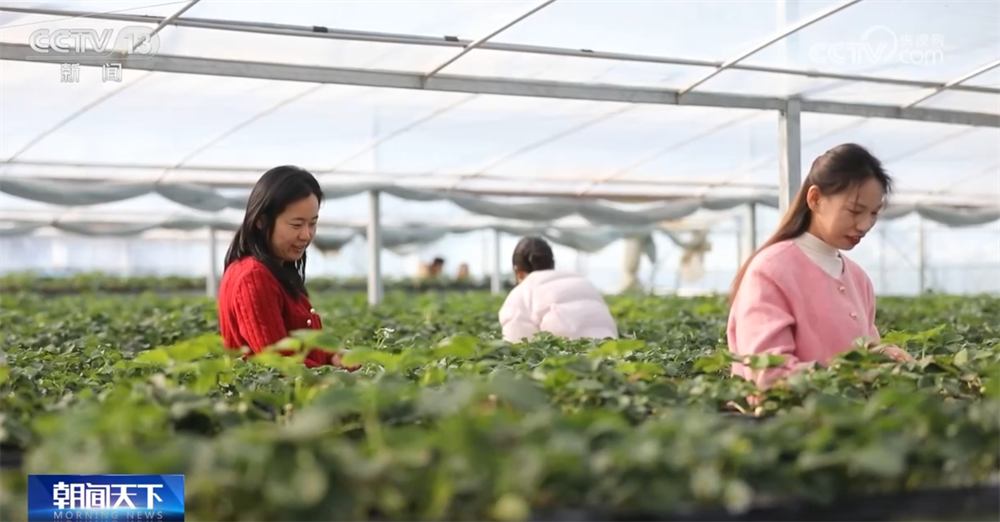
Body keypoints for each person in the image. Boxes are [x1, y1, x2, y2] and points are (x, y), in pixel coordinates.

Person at [727, 143, 913, 390]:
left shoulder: (858, 278)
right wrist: (852, 376)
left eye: (873, 213)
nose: (864, 225)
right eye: (855, 211)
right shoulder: (770, 270)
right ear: (815, 198)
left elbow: (862, 349)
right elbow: (768, 374)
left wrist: (881, 355)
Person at [217, 165, 356, 370]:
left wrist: (332, 356)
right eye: (296, 225)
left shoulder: (275, 271)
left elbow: (294, 345)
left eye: (312, 224)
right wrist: (335, 377)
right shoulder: (253, 277)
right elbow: (279, 363)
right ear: (262, 221)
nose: (306, 235)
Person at [498, 236, 618, 343]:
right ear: (552, 264)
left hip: (569, 358)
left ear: (518, 272)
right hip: (611, 353)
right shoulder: (584, 283)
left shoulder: (522, 292)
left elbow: (517, 345)